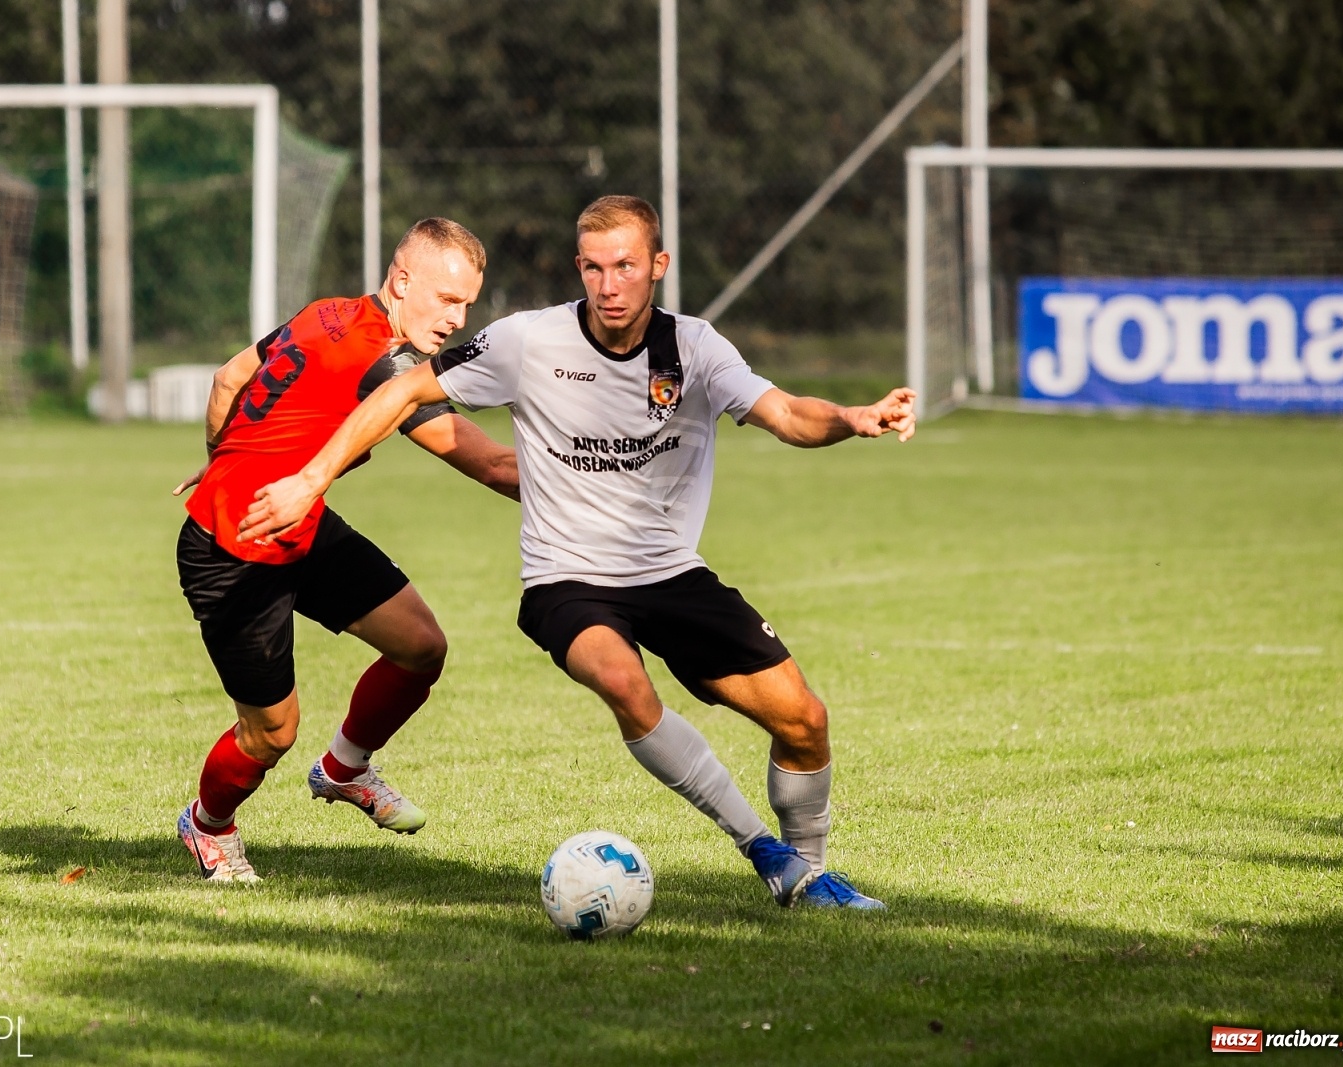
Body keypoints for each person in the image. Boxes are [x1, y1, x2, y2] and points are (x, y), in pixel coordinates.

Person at [240, 196, 916, 910]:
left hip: (671, 574)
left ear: (657, 266)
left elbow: (784, 412)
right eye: (593, 267)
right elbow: (405, 388)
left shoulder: (696, 348)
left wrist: (851, 417)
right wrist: (311, 477)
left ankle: (806, 878)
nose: (609, 284)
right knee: (625, 683)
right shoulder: (529, 340)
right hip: (567, 581)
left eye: (625, 265)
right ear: (579, 269)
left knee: (804, 720)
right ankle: (763, 848)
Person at [171, 218, 517, 883]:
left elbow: (227, 379)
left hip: (301, 525)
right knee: (271, 732)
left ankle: (344, 768)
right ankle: (208, 823)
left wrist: (222, 460)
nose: (458, 318)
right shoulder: (383, 366)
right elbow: (496, 467)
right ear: (402, 279)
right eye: (446, 299)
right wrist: (600, 482)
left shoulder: (327, 312)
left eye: (468, 303)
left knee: (421, 645)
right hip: (234, 553)